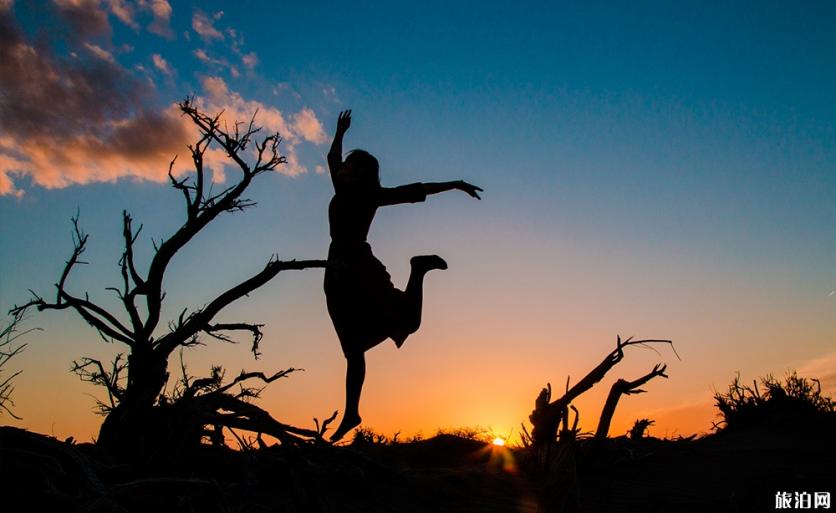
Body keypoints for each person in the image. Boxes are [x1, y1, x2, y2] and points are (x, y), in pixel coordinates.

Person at [325, 110, 482, 441]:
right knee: (352, 347)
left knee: (407, 321)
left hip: (359, 269)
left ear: (363, 173)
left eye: (351, 165)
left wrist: (455, 184)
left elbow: (417, 190)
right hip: (336, 273)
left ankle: (418, 269)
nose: (343, 167)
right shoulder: (341, 186)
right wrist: (340, 132)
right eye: (346, 165)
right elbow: (332, 157)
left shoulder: (371, 194)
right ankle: (352, 412)